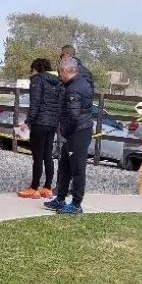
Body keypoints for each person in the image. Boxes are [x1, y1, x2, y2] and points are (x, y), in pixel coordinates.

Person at [43, 56, 94, 215]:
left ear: (66, 71)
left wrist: (64, 131)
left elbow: (73, 116)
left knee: (77, 169)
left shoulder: (75, 89)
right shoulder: (74, 83)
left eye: (60, 72)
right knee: (64, 167)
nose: (59, 75)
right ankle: (60, 198)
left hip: (77, 132)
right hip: (74, 131)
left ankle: (76, 204)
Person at [17, 58, 62, 200]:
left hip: (40, 123)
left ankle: (34, 188)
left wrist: (28, 122)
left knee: (37, 157)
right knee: (48, 156)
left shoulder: (37, 80)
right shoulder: (58, 81)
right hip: (52, 124)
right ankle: (47, 188)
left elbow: (35, 103)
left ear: (36, 68)